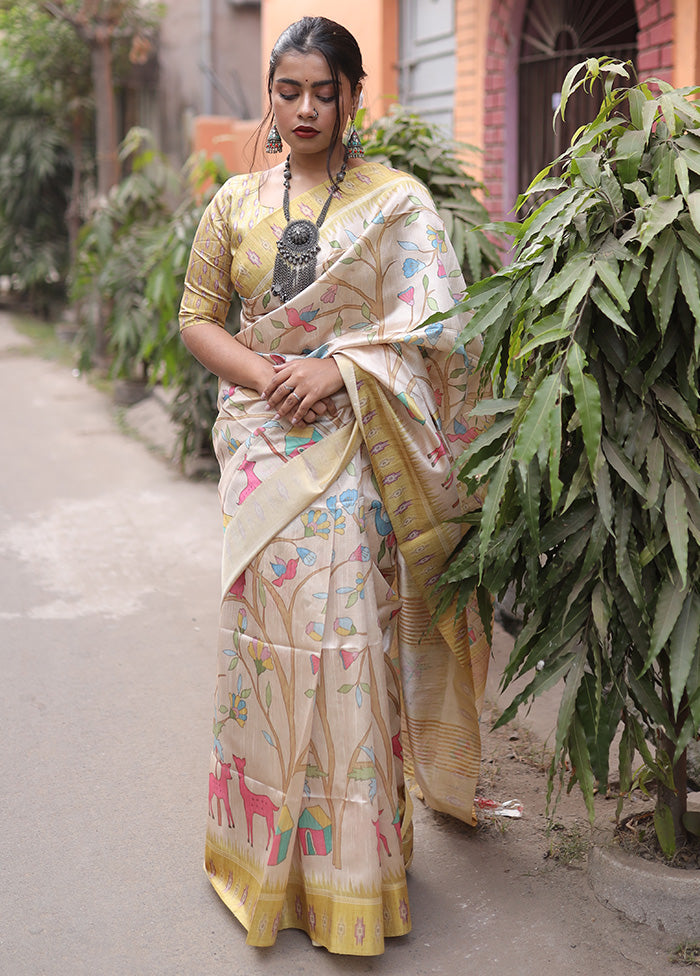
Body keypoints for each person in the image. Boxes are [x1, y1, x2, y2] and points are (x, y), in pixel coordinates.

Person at [178, 16, 490, 956]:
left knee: (345, 642)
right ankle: (256, 853)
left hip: (356, 448)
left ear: (355, 95)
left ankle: (355, 870)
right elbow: (197, 318)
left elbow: (442, 320)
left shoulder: (399, 206)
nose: (308, 108)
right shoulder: (234, 202)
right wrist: (272, 374)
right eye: (290, 91)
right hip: (261, 446)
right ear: (269, 98)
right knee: (265, 650)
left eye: (326, 90)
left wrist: (341, 368)